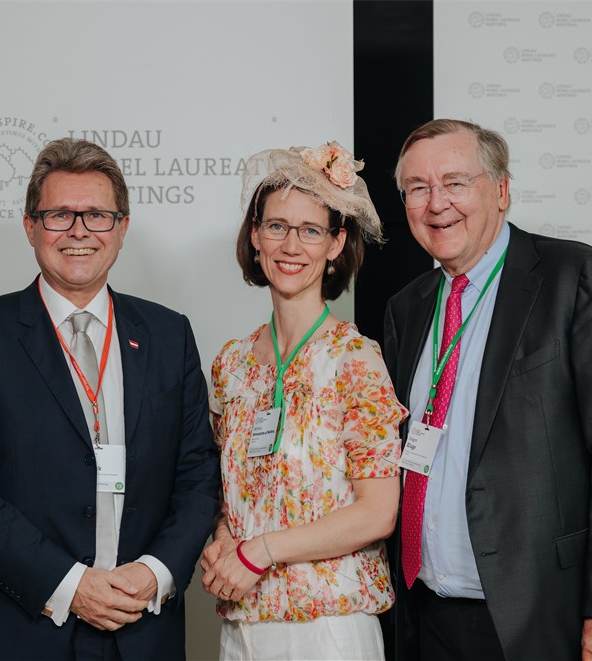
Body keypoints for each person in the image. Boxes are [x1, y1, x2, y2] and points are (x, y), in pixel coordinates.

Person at [0, 138, 221, 660]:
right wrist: (69, 585)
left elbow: (198, 473)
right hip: (19, 631)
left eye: (97, 215)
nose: (79, 231)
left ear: (123, 228)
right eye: (60, 214)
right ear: (30, 226)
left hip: (141, 631)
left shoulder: (168, 334)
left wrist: (154, 574)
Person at [381, 119, 592, 661]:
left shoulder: (575, 277)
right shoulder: (406, 307)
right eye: (418, 188)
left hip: (541, 614)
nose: (437, 204)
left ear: (501, 190)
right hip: (425, 614)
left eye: (456, 182)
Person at [200, 142, 408, 660]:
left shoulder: (355, 360)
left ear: (336, 244)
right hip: (243, 626)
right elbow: (233, 496)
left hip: (329, 629)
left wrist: (259, 552)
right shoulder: (231, 364)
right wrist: (224, 543)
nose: (291, 245)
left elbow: (378, 513)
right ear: (254, 234)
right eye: (276, 226)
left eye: (310, 230)